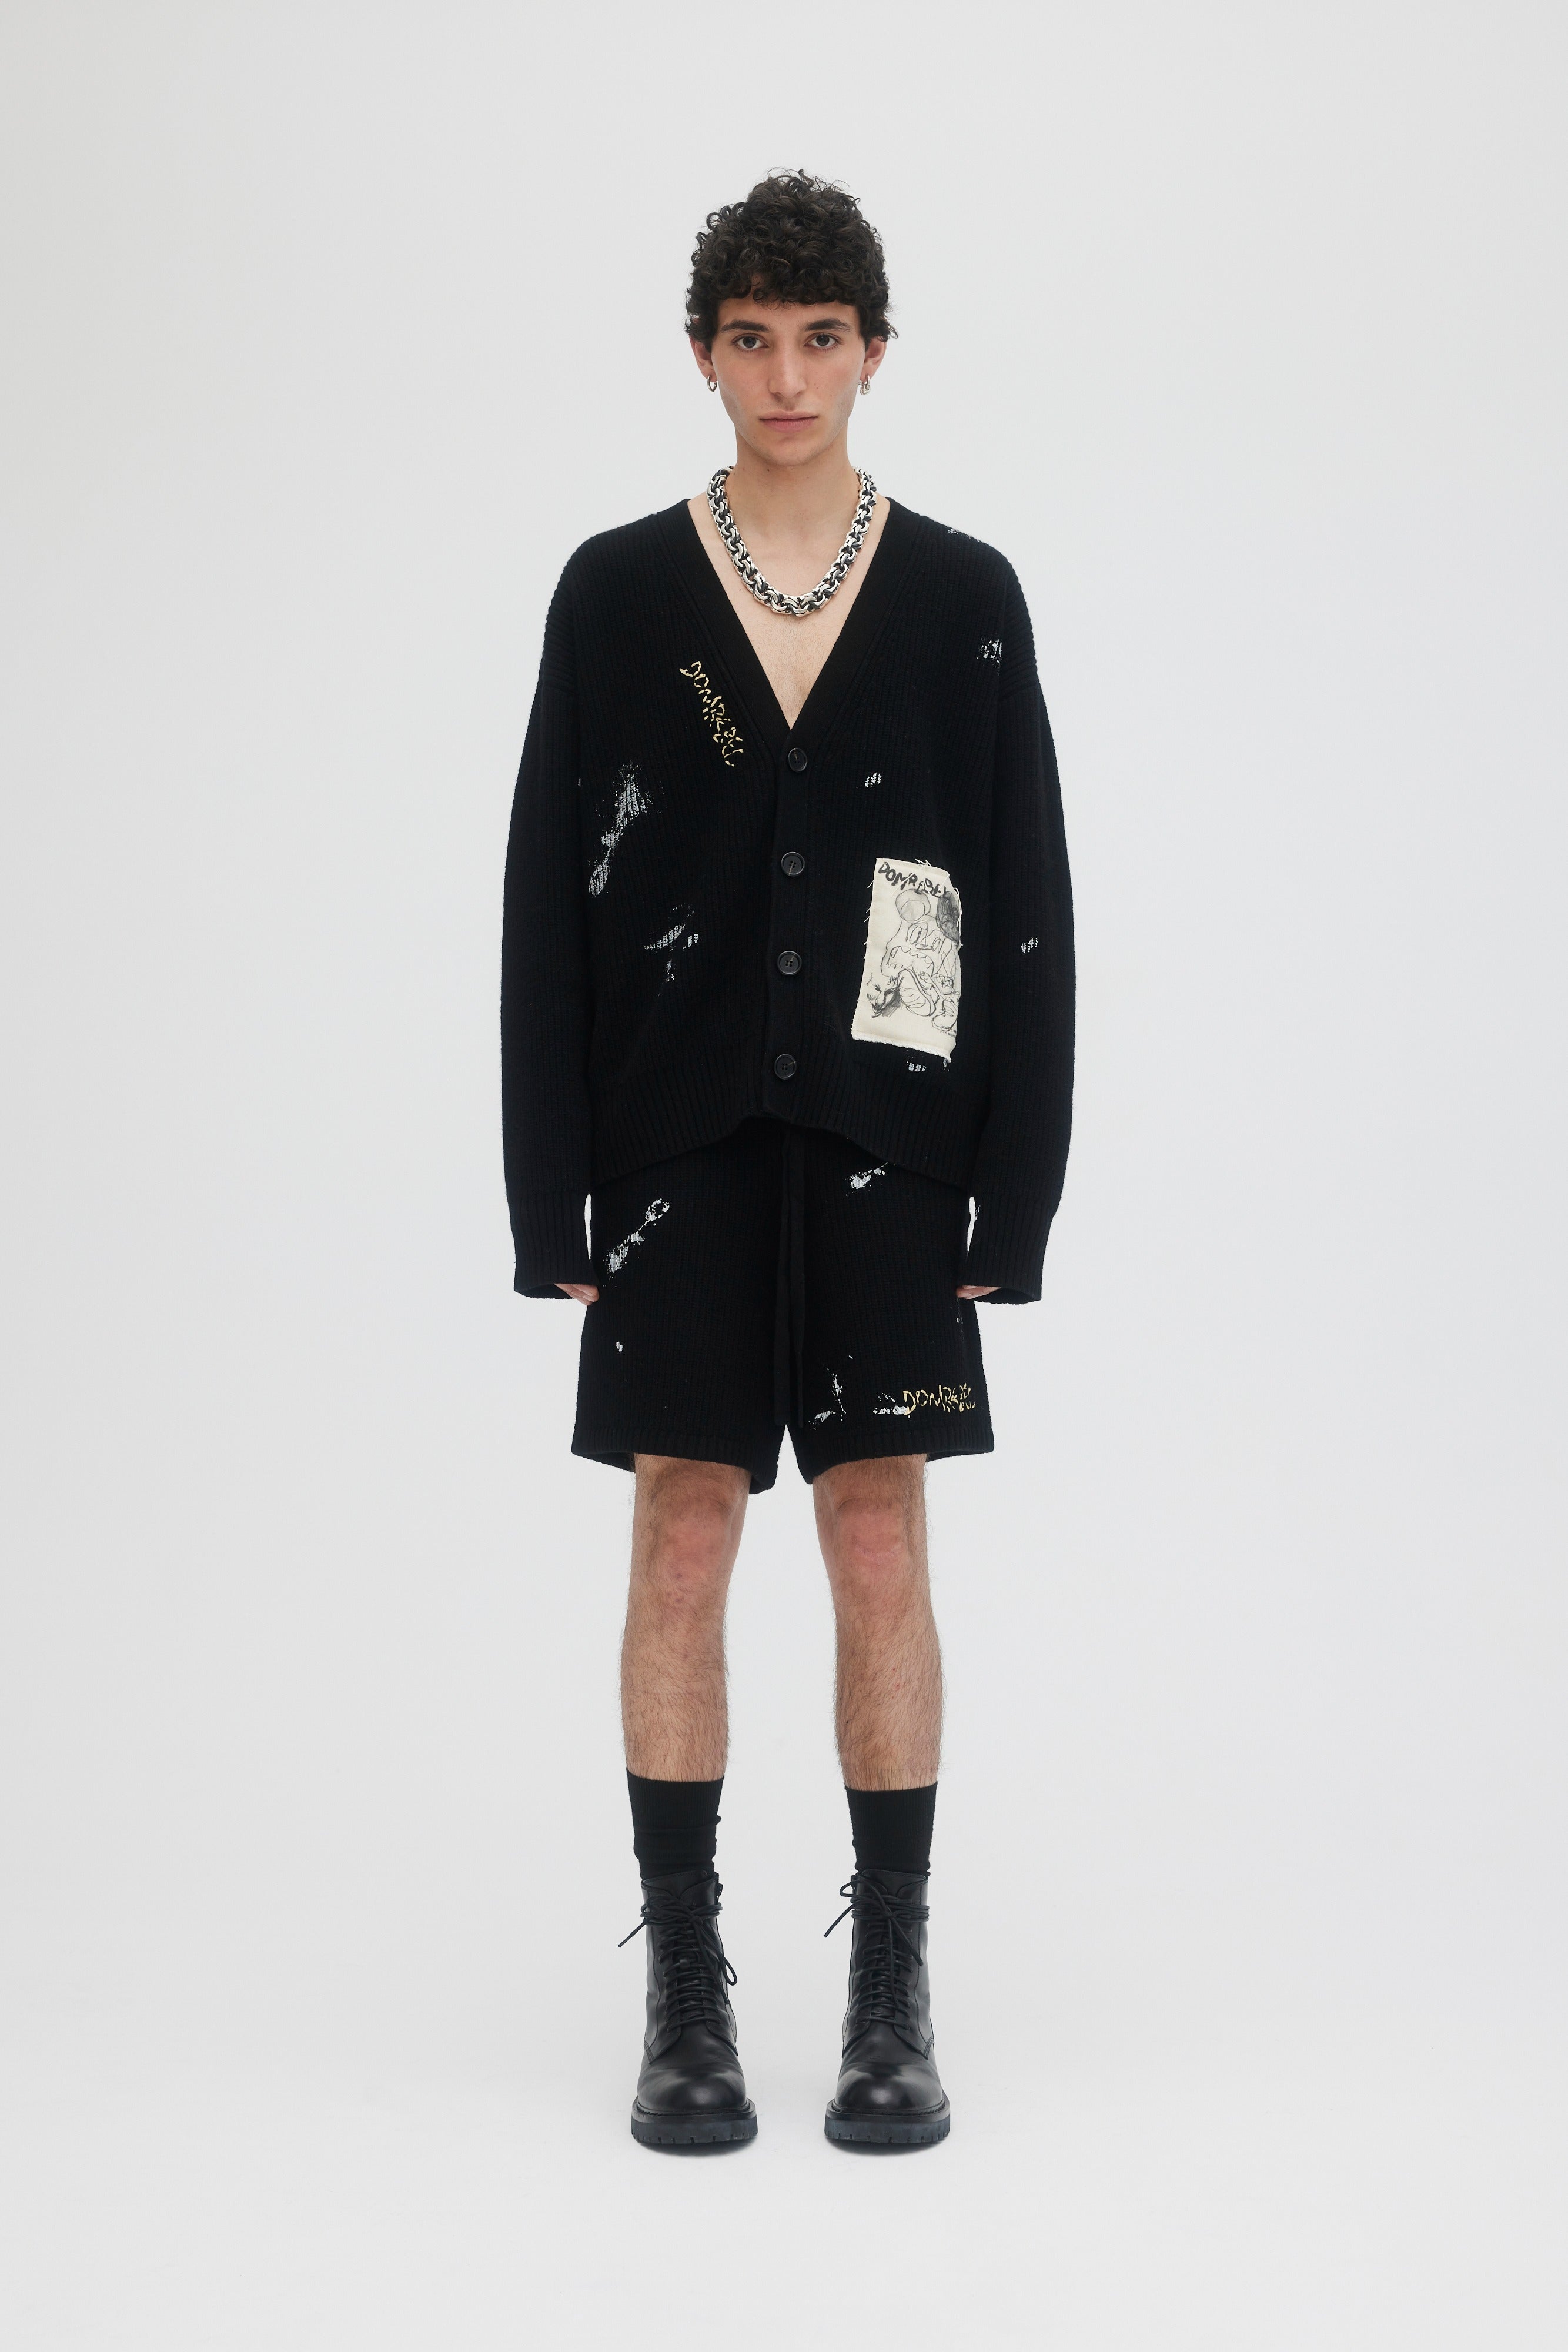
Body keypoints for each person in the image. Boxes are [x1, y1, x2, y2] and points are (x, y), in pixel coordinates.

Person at [501, 172, 1074, 2149]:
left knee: (877, 1528)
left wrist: (1017, 1182)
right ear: (702, 356)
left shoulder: (964, 596)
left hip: (891, 1144)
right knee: (681, 1530)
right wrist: (548, 1187)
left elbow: (1022, 894)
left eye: (820, 338)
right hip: (673, 1142)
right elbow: (544, 903)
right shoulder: (617, 592)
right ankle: (686, 1990)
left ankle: (890, 1990)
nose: (786, 376)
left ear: (873, 353)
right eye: (750, 338)